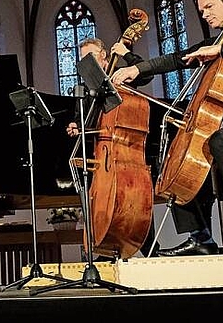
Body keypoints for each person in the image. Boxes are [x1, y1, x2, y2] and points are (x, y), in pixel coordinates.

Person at [111, 0, 223, 256]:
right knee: (184, 152)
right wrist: (137, 70)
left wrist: (222, 50)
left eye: (209, 6)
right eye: (201, 10)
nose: (205, 14)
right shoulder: (212, 42)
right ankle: (200, 237)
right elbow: (177, 58)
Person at [65, 37, 158, 258]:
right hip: (102, 155)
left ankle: (149, 248)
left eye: (91, 57)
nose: (87, 64)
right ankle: (105, 246)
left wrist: (126, 52)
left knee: (137, 199)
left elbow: (148, 74)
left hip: (127, 150)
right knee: (100, 199)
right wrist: (76, 126)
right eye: (83, 60)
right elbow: (84, 121)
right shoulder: (88, 90)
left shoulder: (122, 78)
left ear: (105, 57)